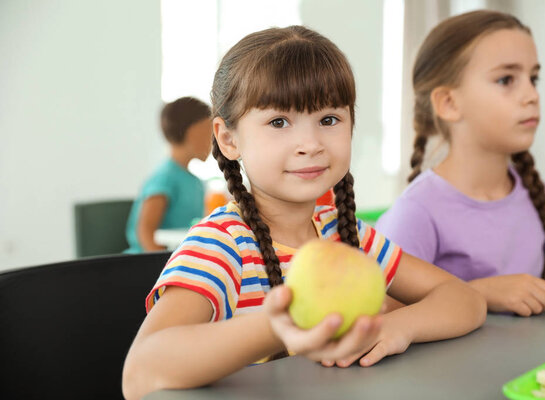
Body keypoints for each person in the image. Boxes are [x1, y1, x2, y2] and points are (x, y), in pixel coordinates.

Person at [122, 26, 486, 399]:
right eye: (279, 122)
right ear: (229, 139)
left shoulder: (347, 235)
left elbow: (465, 301)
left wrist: (396, 328)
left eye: (329, 119)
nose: (310, 144)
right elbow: (140, 374)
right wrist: (278, 326)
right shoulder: (221, 245)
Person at [376, 10, 545, 318]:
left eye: (533, 78)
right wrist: (479, 293)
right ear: (449, 103)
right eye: (506, 79)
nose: (531, 95)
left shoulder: (539, 199)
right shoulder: (417, 213)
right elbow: (379, 314)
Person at [125, 97, 213, 253]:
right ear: (192, 132)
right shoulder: (165, 178)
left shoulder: (195, 182)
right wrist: (167, 268)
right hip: (145, 266)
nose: (213, 141)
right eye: (209, 132)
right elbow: (145, 232)